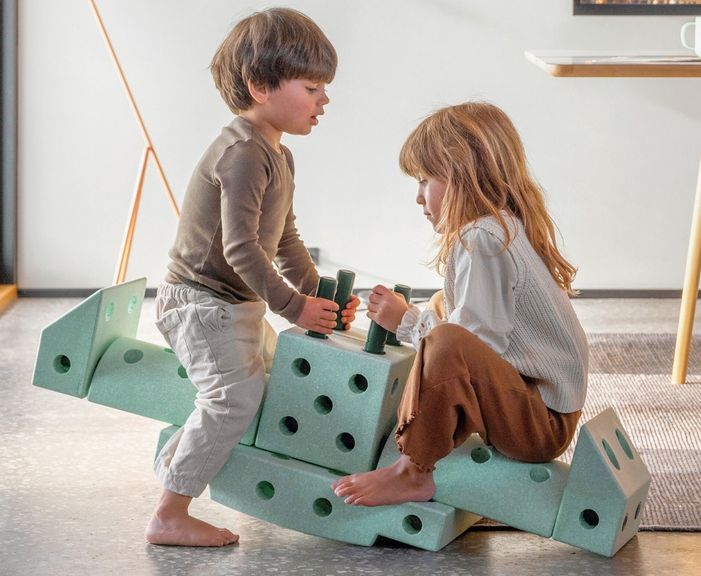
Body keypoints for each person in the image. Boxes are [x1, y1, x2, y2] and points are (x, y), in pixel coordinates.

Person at [146, 8, 359, 547]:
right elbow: (241, 248)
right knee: (233, 397)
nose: (324, 100)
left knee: (262, 385)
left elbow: (284, 239)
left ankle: (180, 468)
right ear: (260, 86)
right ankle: (169, 514)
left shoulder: (278, 155)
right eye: (312, 88)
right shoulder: (243, 152)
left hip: (232, 305)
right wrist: (294, 307)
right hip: (200, 303)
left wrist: (319, 295)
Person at [332, 102, 588, 507]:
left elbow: (473, 345)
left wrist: (406, 321)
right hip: (544, 410)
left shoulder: (482, 238)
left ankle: (413, 470)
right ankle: (430, 428)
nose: (418, 197)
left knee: (447, 340)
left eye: (424, 180)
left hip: (540, 425)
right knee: (442, 307)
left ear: (460, 177)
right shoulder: (502, 226)